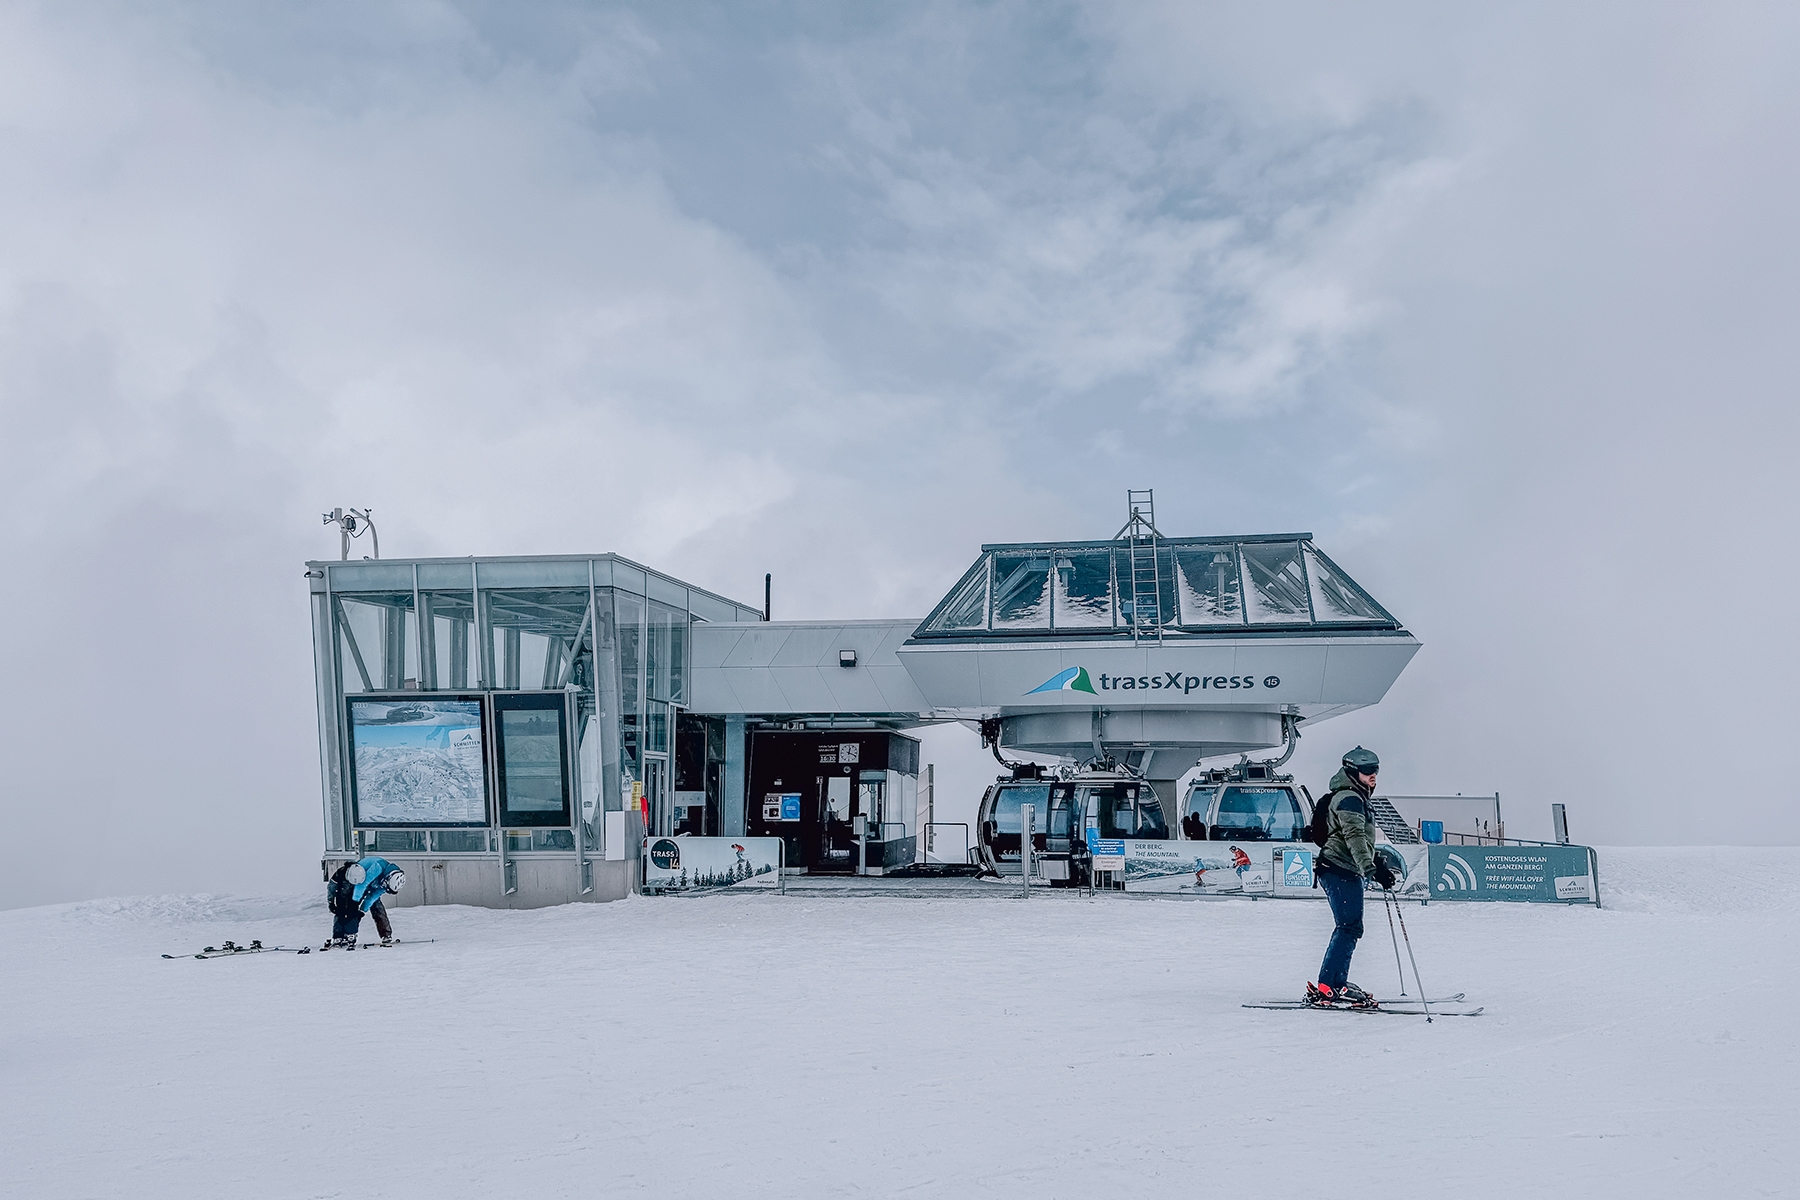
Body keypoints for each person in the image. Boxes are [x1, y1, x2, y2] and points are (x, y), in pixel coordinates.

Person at [1306, 746, 1397, 1008]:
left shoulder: (1356, 796)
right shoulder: (1349, 798)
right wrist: (1371, 869)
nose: (1373, 775)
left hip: (1343, 868)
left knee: (1350, 927)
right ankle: (1330, 984)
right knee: (1348, 927)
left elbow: (1361, 840)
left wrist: (1376, 862)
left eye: (1375, 770)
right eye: (1367, 771)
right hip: (1338, 869)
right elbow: (1354, 837)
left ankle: (1335, 980)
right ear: (1352, 772)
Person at [323, 855, 406, 949]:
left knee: (377, 906)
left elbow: (373, 896)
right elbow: (362, 884)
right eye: (385, 886)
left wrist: (362, 911)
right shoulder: (377, 867)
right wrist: (355, 902)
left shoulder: (387, 883)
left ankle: (385, 934)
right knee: (346, 907)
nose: (384, 888)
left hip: (371, 885)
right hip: (357, 880)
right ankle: (341, 934)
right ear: (387, 878)